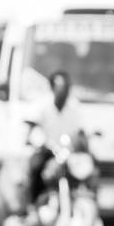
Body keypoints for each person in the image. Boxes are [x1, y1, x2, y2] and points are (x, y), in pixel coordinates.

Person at [24, 69, 84, 215]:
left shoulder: (74, 107)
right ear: (53, 88)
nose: (64, 92)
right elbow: (32, 126)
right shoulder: (42, 104)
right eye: (61, 87)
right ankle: (31, 207)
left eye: (66, 88)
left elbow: (80, 131)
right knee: (36, 167)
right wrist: (38, 141)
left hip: (67, 152)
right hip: (47, 151)